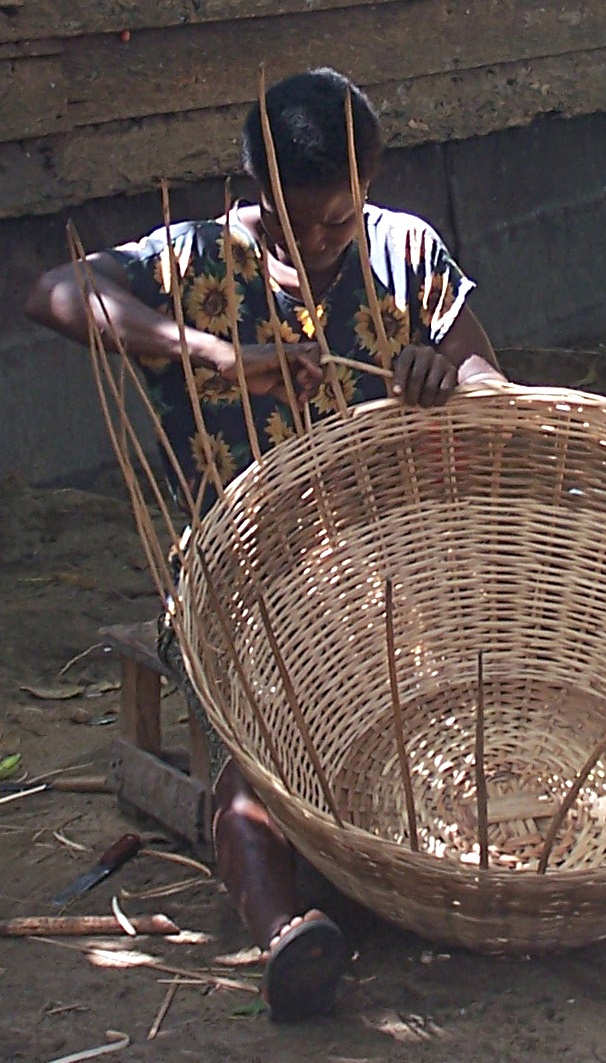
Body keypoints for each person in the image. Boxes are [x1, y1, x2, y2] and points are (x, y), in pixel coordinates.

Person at [25, 67, 507, 1021]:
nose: (321, 244)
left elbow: (491, 373)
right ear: (251, 189)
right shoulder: (195, 261)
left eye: (339, 220)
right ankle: (286, 931)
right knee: (258, 743)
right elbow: (51, 293)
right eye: (296, 223)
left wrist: (443, 374)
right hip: (239, 582)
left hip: (392, 579)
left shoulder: (405, 250)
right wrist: (203, 350)